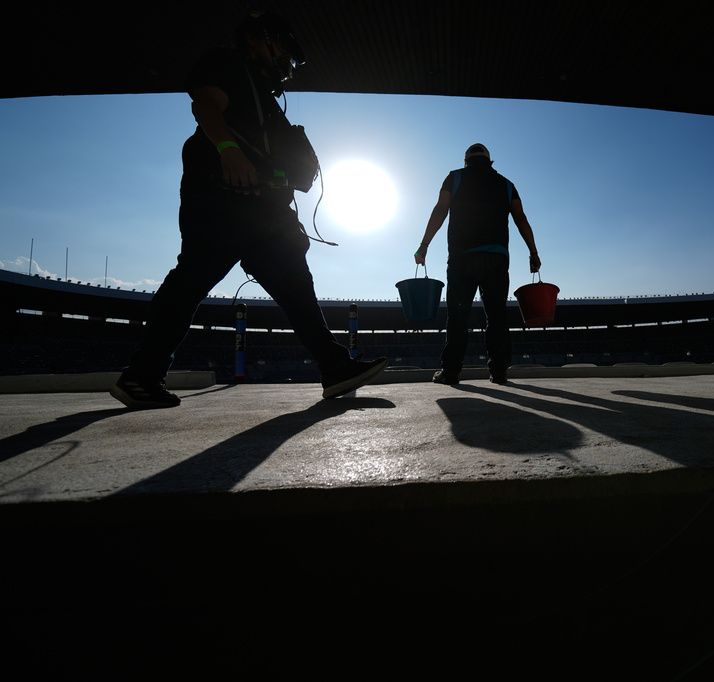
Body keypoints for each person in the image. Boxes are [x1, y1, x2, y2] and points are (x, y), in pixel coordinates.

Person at [110, 11, 387, 409]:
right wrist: (229, 151)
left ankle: (334, 366)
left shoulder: (266, 98)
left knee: (296, 288)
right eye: (284, 48)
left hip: (265, 208)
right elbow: (205, 105)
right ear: (257, 39)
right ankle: (141, 376)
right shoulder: (226, 65)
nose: (288, 59)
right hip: (222, 197)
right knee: (191, 280)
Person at [415, 143, 541, 385]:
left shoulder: (455, 177)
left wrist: (424, 246)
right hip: (496, 258)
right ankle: (499, 371)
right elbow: (520, 218)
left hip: (463, 258)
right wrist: (533, 253)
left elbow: (441, 209)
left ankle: (451, 372)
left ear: (466, 161)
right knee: (496, 317)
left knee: (458, 316)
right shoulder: (507, 184)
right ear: (488, 161)